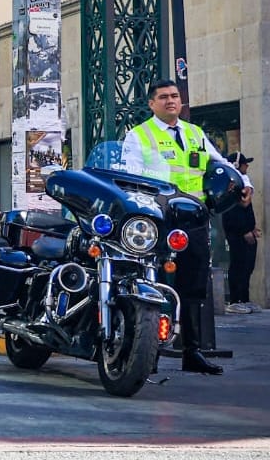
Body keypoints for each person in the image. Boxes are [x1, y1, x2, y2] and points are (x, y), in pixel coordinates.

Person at [121, 79, 228, 374]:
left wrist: (244, 184)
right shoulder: (139, 135)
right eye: (164, 97)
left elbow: (219, 164)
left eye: (175, 96)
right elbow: (131, 176)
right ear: (152, 104)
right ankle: (149, 353)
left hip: (194, 220)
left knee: (194, 286)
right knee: (154, 283)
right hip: (160, 220)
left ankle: (191, 352)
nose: (171, 101)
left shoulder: (195, 133)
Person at [221, 152, 258, 314]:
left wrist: (252, 227)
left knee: (248, 266)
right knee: (238, 265)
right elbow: (234, 212)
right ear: (236, 165)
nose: (247, 166)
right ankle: (235, 300)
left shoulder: (242, 183)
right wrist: (244, 230)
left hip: (247, 231)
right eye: (244, 163)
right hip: (238, 234)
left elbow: (247, 209)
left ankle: (244, 298)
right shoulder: (231, 187)